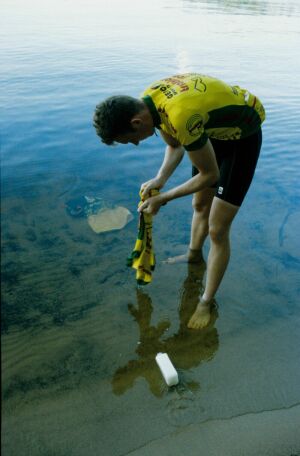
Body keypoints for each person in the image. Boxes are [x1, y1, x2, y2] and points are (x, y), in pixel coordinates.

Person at [93, 72, 265, 329]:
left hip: (243, 134)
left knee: (217, 229)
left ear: (137, 121)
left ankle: (206, 302)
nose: (136, 145)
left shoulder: (180, 115)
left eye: (130, 140)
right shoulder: (150, 102)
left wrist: (164, 198)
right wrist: (159, 179)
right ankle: (194, 255)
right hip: (212, 130)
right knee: (199, 205)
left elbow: (210, 175)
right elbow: (175, 144)